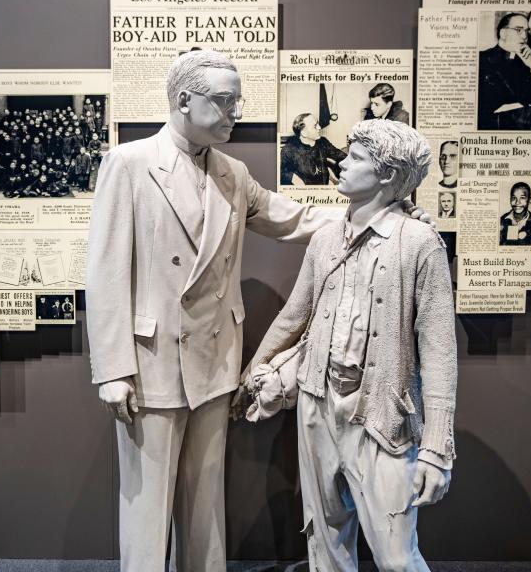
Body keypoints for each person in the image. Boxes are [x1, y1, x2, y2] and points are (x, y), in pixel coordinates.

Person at [86, 50, 432, 572]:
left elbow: (291, 218)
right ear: (184, 99)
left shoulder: (231, 172)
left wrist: (385, 209)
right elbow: (105, 273)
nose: (235, 112)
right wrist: (112, 369)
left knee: (206, 505)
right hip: (150, 360)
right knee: (146, 509)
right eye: (224, 101)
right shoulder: (130, 164)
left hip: (213, 361)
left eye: (237, 101)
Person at [240, 119, 456, 572]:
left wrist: (436, 449)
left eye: (356, 157)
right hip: (317, 405)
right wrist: (255, 370)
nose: (341, 161)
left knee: (397, 558)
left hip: (382, 414)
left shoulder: (420, 244)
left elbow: (438, 352)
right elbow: (295, 316)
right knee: (325, 539)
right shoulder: (324, 239)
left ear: (388, 175)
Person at [477, 12, 531, 130]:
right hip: (495, 124)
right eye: (518, 30)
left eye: (526, 31)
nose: (524, 36)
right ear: (503, 33)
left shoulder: (527, 62)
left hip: (526, 122)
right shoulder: (482, 59)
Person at [280, 112, 348, 185]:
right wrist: (292, 177)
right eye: (315, 126)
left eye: (317, 124)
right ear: (304, 133)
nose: (319, 127)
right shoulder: (288, 150)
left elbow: (339, 155)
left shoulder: (323, 142)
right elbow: (281, 172)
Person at [499, 181, 531, 246]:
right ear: (510, 199)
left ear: (529, 200)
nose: (517, 202)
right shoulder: (501, 220)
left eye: (522, 198)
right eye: (514, 198)